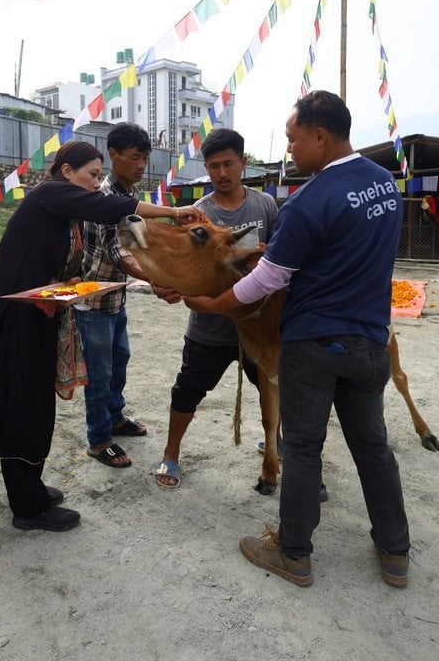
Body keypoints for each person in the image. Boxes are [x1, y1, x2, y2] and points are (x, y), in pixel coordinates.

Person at [184, 91, 410, 589]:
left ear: (320, 136)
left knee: (303, 450)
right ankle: (395, 552)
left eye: (292, 139)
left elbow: (268, 280)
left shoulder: (308, 200)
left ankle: (293, 554)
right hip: (371, 341)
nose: (289, 149)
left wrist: (215, 305)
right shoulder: (385, 184)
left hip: (315, 345)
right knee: (373, 447)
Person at [0, 141, 201, 532]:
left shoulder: (61, 210)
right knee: (23, 405)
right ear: (66, 172)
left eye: (99, 177)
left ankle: (30, 486)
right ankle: (28, 507)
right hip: (16, 319)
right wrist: (174, 211)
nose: (95, 185)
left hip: (37, 314)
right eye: (91, 175)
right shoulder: (51, 193)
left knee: (35, 404)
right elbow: (109, 208)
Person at [150, 129, 278, 489]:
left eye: (228, 164)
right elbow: (179, 264)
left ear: (242, 163)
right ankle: (171, 454)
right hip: (209, 324)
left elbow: (279, 258)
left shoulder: (265, 205)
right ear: (206, 168)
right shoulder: (196, 214)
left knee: (273, 388)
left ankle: (276, 444)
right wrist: (166, 286)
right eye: (214, 166)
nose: (222, 173)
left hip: (258, 326)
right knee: (188, 389)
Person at [75, 123, 153, 470]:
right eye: (135, 158)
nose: (141, 165)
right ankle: (99, 438)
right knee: (100, 372)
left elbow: (139, 245)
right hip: (93, 302)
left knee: (120, 359)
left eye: (145, 158)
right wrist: (157, 280)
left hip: (116, 299)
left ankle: (116, 418)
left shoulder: (130, 196)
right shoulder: (104, 197)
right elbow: (118, 252)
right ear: (114, 155)